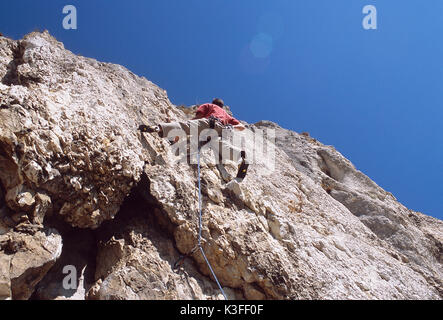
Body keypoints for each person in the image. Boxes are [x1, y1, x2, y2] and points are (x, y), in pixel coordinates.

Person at [138, 98, 248, 181]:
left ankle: (159, 128)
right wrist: (231, 127)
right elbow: (242, 126)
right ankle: (240, 157)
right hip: (221, 130)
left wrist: (177, 137)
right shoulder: (226, 115)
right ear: (222, 106)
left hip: (209, 123)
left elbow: (196, 120)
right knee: (221, 146)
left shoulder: (209, 105)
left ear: (213, 102)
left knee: (184, 126)